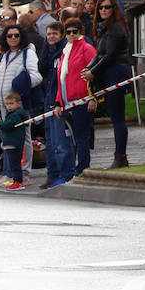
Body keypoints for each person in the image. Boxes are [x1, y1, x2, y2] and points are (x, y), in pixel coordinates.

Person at [82, 0, 131, 169]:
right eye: (100, 7)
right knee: (114, 116)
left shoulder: (116, 28)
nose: (104, 10)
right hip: (109, 72)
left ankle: (120, 157)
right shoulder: (105, 29)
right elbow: (100, 54)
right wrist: (89, 68)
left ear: (114, 9)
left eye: (107, 7)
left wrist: (92, 72)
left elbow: (109, 56)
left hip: (115, 73)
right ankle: (120, 156)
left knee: (118, 117)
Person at [0, 24, 41, 186]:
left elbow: (36, 76)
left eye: (16, 35)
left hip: (19, 105)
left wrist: (21, 86)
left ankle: (24, 173)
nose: (13, 38)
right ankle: (11, 172)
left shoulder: (28, 54)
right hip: (4, 102)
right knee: (7, 138)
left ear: (21, 36)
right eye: (9, 35)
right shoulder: (5, 56)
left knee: (23, 139)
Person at [52, 18, 97, 181]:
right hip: (67, 100)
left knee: (82, 137)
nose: (71, 35)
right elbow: (61, 79)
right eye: (68, 32)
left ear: (81, 32)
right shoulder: (66, 50)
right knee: (72, 138)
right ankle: (77, 167)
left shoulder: (87, 48)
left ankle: (83, 167)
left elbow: (95, 74)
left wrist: (94, 97)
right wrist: (58, 102)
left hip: (83, 99)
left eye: (74, 32)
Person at [38, 21, 66, 189]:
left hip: (58, 100)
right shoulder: (47, 49)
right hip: (48, 97)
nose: (51, 37)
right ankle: (51, 174)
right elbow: (41, 69)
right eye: (49, 34)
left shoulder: (63, 51)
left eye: (54, 33)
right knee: (49, 140)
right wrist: (46, 50)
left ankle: (63, 174)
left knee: (60, 141)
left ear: (61, 35)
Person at [0, 91, 29, 191]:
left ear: (18, 103)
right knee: (13, 164)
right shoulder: (13, 114)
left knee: (15, 164)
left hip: (14, 143)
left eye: (11, 103)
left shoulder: (15, 115)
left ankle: (18, 182)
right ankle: (15, 180)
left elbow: (7, 126)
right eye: (7, 104)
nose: (9, 106)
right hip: (10, 143)